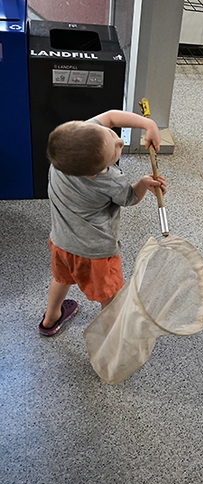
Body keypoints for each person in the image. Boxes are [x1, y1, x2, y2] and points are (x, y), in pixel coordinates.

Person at [38, 110, 167, 336]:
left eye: (110, 133)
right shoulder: (110, 180)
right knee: (109, 296)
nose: (120, 140)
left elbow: (110, 116)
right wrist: (144, 183)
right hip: (96, 254)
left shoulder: (64, 157)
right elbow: (131, 198)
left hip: (61, 243)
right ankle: (111, 340)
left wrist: (149, 124)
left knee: (61, 278)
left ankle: (51, 318)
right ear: (95, 172)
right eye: (116, 149)